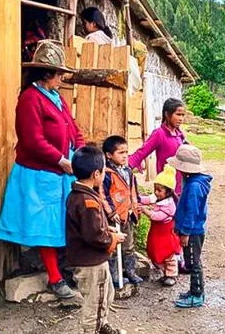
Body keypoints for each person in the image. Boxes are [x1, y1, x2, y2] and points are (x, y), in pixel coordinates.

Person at [0, 40, 85, 301]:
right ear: (47, 73)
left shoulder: (57, 97)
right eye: (59, 74)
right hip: (41, 173)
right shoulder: (30, 99)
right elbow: (33, 141)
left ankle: (66, 268)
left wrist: (79, 152)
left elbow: (72, 127)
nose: (62, 78)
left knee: (64, 221)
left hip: (63, 169)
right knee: (46, 226)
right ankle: (54, 278)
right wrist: (60, 160)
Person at [65, 145, 126, 334]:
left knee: (106, 294)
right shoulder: (88, 201)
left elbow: (87, 227)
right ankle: (92, 329)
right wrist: (112, 237)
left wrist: (104, 227)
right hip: (90, 263)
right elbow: (94, 236)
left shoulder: (78, 195)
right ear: (96, 174)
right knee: (95, 302)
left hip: (92, 259)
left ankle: (102, 326)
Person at [167, 145, 213, 308]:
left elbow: (192, 211)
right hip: (191, 229)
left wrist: (185, 232)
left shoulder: (194, 186)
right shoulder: (192, 181)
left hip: (193, 232)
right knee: (191, 260)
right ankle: (194, 291)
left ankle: (197, 294)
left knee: (193, 263)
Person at [101, 135, 144, 288]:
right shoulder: (106, 174)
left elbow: (133, 191)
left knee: (129, 246)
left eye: (126, 152)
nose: (125, 155)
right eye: (120, 152)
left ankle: (131, 272)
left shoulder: (129, 171)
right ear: (108, 155)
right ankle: (115, 276)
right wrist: (111, 212)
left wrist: (136, 206)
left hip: (128, 215)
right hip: (115, 218)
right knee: (113, 247)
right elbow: (103, 195)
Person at [129, 98, 187, 196]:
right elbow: (142, 152)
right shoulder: (159, 134)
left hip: (182, 184)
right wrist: (122, 167)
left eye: (182, 115)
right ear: (167, 114)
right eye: (178, 114)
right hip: (167, 188)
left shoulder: (179, 134)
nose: (181, 118)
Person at [139, 164, 182, 287]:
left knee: (169, 254)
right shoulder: (158, 197)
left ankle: (171, 275)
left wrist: (145, 210)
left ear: (168, 191)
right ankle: (165, 272)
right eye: (155, 189)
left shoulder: (169, 205)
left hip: (166, 234)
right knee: (155, 251)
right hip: (157, 233)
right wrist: (137, 198)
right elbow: (148, 199)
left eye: (159, 190)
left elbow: (156, 217)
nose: (156, 193)